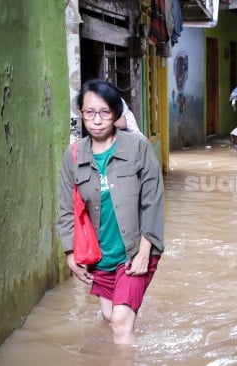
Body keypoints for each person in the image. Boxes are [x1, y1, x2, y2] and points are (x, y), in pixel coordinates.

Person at [57, 79, 164, 344]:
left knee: (119, 321)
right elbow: (66, 210)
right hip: (100, 256)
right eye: (89, 112)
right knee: (109, 315)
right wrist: (70, 253)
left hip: (135, 251)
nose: (96, 120)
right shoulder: (72, 156)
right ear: (81, 113)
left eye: (105, 112)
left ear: (116, 113)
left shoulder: (138, 147)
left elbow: (152, 202)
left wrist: (143, 253)